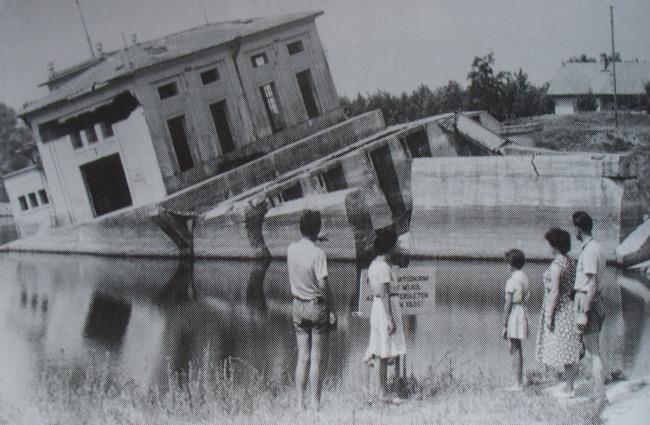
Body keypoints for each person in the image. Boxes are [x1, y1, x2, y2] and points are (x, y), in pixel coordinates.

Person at [287, 209, 336, 411]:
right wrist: (332, 309)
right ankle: (315, 405)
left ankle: (299, 404)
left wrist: (315, 237)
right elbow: (323, 284)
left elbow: (304, 243)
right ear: (317, 229)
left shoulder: (291, 249)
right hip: (316, 306)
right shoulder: (319, 255)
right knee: (316, 359)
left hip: (297, 306)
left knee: (302, 357)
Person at [535, 228, 581, 398]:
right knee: (568, 348)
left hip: (560, 310)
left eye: (549, 243)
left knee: (564, 348)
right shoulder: (570, 261)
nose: (547, 246)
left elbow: (554, 292)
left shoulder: (556, 265)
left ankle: (570, 389)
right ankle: (570, 385)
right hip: (569, 307)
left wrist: (549, 315)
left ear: (554, 245)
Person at [364, 231, 406, 403]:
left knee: (383, 349)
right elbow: (385, 294)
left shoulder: (375, 265)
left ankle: (384, 390)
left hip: (378, 307)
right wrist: (390, 318)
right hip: (385, 309)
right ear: (389, 248)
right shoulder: (383, 268)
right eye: (395, 245)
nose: (398, 249)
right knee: (385, 349)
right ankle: (384, 391)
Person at [572, 211, 607, 404]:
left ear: (578, 229)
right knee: (593, 351)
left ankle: (600, 395)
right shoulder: (596, 247)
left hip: (588, 302)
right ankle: (598, 392)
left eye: (574, 229)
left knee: (594, 352)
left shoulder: (590, 251)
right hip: (592, 301)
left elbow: (592, 284)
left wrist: (584, 312)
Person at [502, 249, 530, 391]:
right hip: (522, 310)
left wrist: (504, 323)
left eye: (507, 263)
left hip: (514, 312)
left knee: (514, 347)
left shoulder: (512, 280)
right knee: (515, 346)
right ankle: (517, 381)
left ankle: (518, 383)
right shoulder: (524, 276)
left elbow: (508, 303)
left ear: (511, 264)